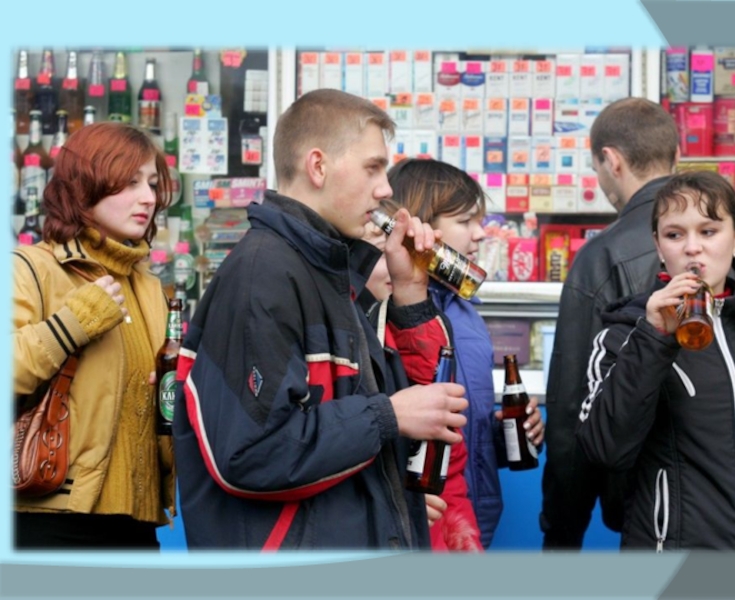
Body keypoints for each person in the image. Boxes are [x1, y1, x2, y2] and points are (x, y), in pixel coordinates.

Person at [172, 89, 468, 550]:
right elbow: (250, 453)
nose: (385, 189)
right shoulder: (264, 274)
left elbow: (418, 415)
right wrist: (388, 416)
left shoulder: (330, 272)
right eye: (373, 168)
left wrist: (411, 293)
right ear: (317, 166)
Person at [540, 97, 735, 549]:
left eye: (708, 231)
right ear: (658, 246)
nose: (693, 248)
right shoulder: (623, 334)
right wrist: (654, 336)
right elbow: (602, 449)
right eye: (676, 235)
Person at [13, 122, 174, 549]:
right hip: (53, 516)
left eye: (152, 183)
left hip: (140, 520)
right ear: (85, 184)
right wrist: (70, 326)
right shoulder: (32, 268)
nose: (148, 197)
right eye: (130, 182)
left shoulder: (149, 288)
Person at [388, 158, 545, 548]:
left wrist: (508, 434)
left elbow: (460, 428)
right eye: (465, 221)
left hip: (474, 516)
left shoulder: (466, 312)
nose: (479, 234)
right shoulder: (389, 309)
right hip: (419, 521)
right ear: (422, 223)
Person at [360, 213, 482, 552]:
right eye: (380, 251)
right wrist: (394, 496)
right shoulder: (349, 330)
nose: (395, 259)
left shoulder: (417, 316)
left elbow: (448, 450)